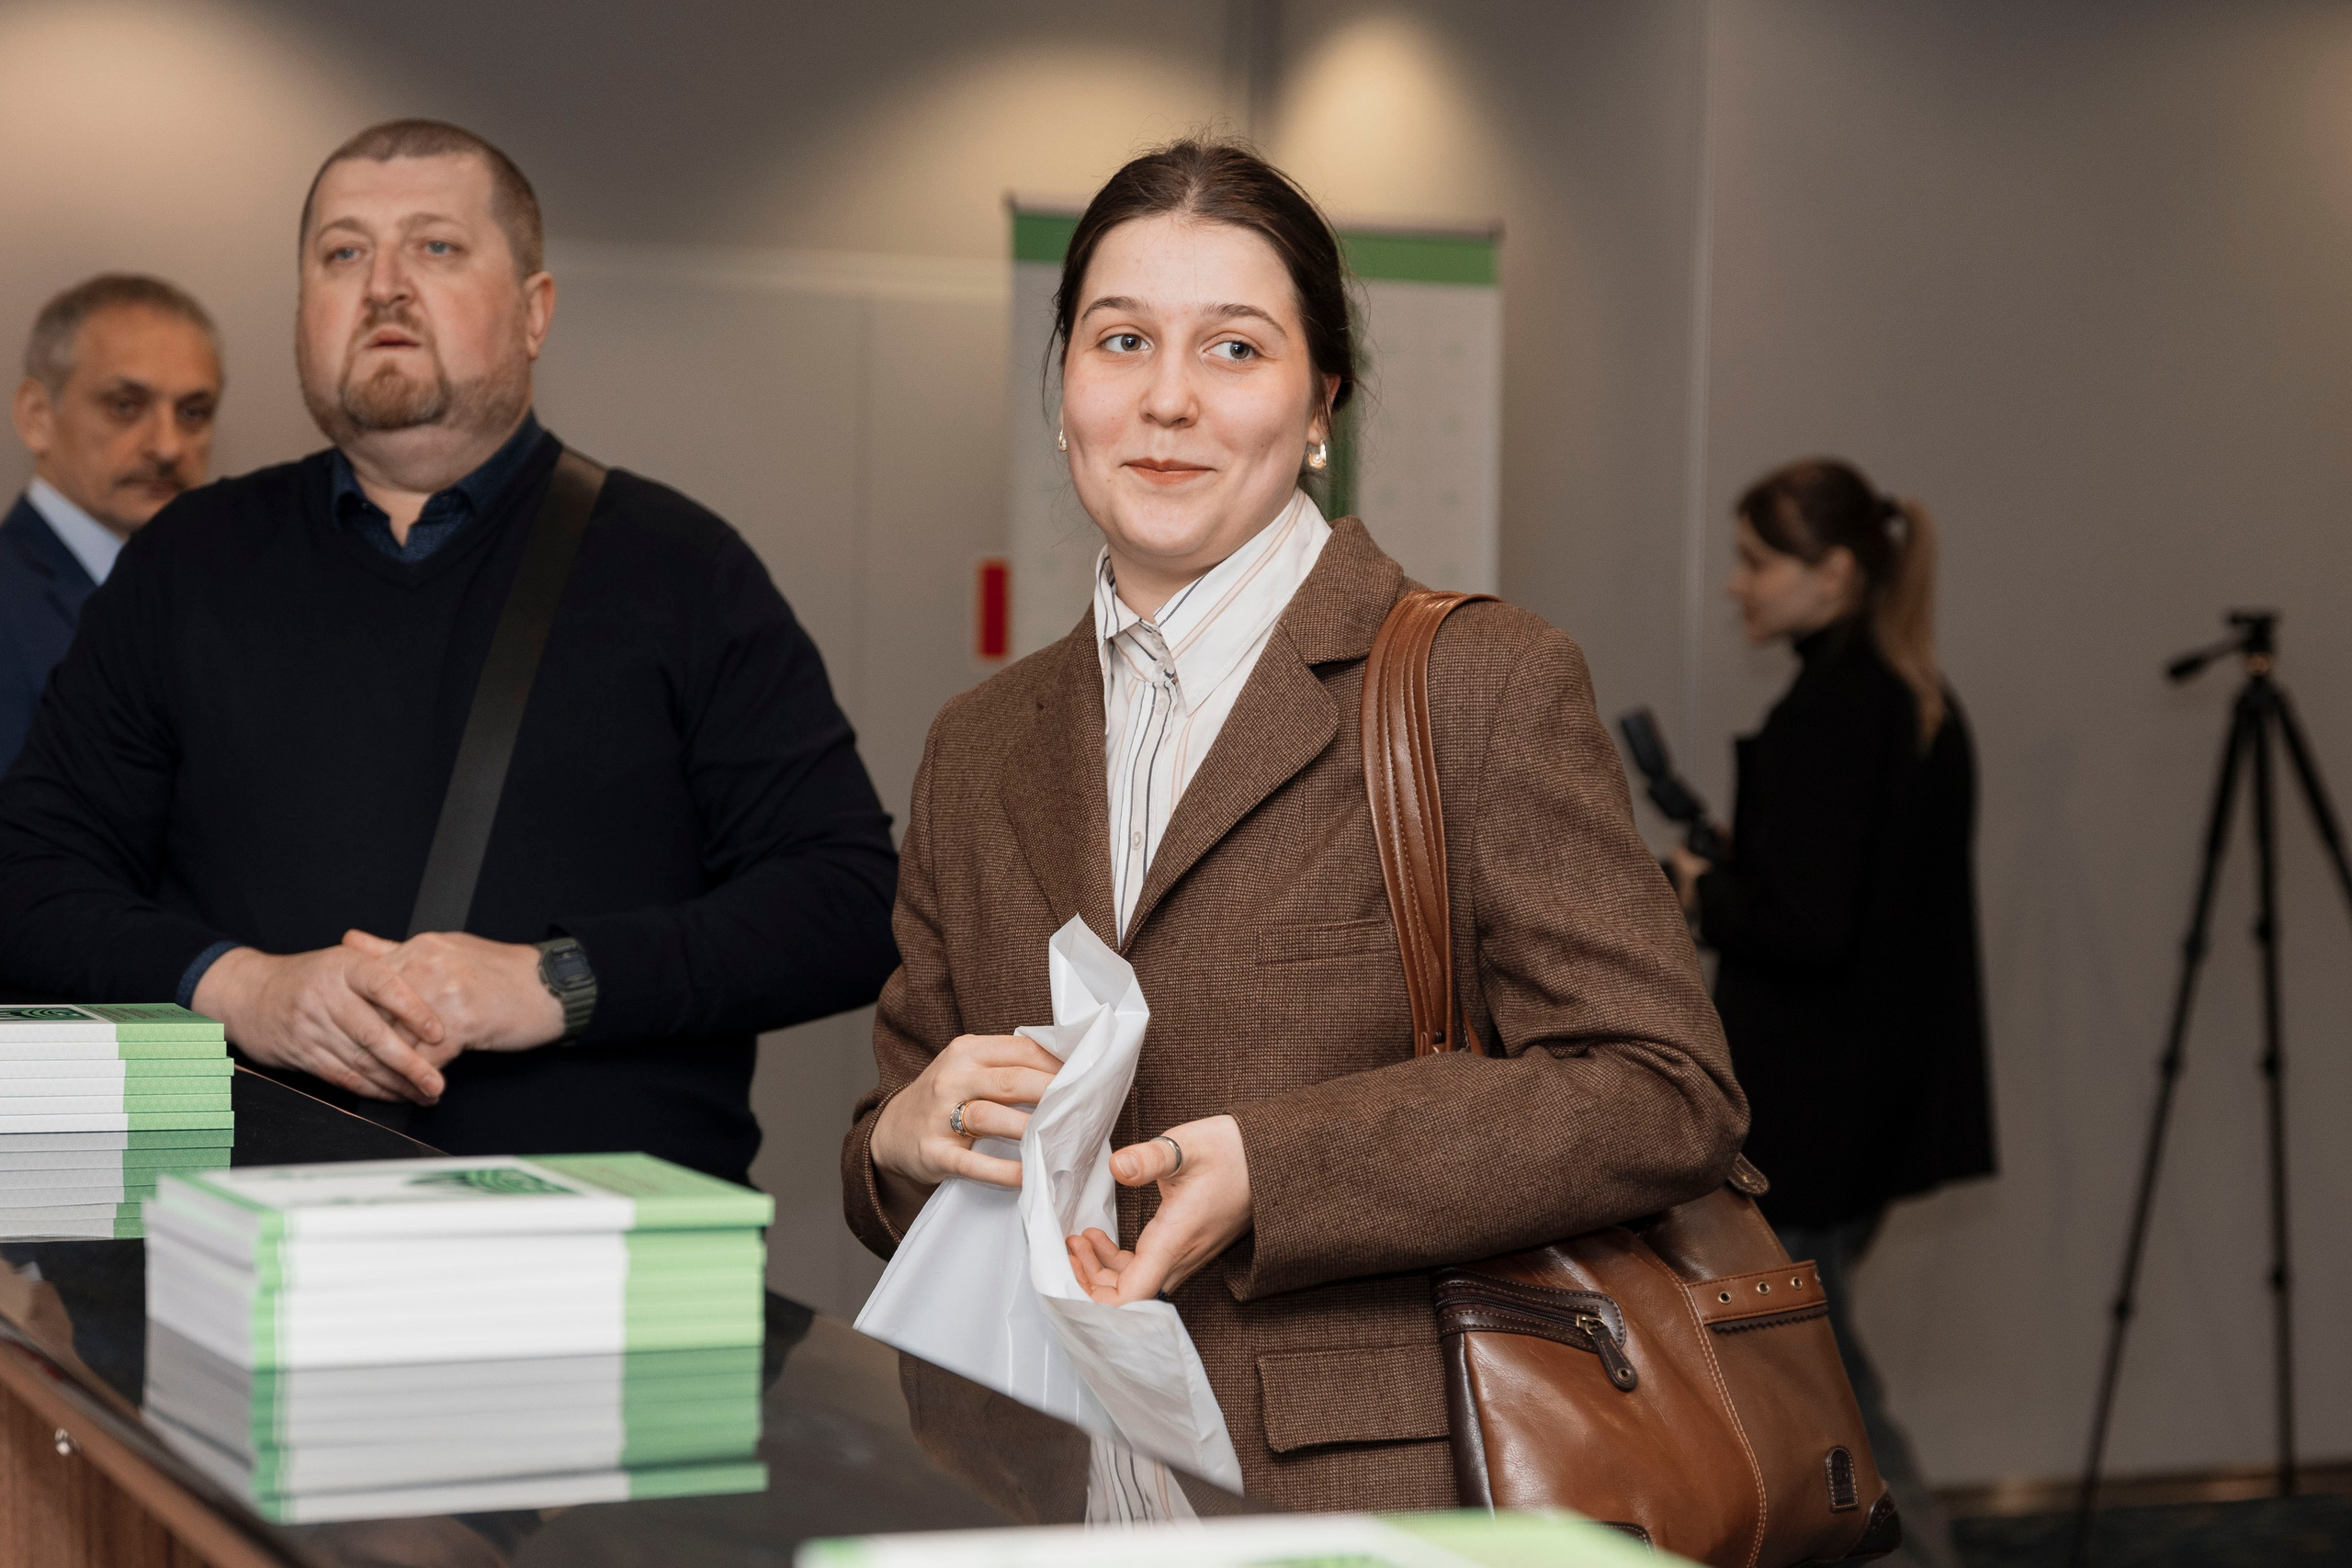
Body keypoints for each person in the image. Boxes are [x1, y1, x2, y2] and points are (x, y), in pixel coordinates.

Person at [842, 140, 1744, 1510]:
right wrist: (897, 1139)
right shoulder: (979, 742)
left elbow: (1663, 1090)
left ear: (1323, 401)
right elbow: (895, 1156)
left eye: (1236, 350)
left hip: (1345, 1489)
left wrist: (1279, 1164)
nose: (1166, 400)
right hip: (1040, 1476)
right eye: (1122, 338)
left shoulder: (1472, 682)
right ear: (1061, 387)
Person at [0, 120, 899, 1184]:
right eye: (342, 253)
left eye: (434, 247)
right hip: (243, 1255)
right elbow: (32, 876)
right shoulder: (182, 565)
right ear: (302, 315)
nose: (382, 285)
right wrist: (242, 990)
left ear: (533, 313)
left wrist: (556, 983)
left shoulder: (681, 569)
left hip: (602, 1264)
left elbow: (847, 899)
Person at [1668, 457, 1995, 1568]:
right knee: (1815, 1363)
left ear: (1836, 572)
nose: (1736, 586)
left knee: (1815, 1380)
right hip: (1874, 1103)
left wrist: (1707, 893)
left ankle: (1918, 1553)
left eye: (1759, 562)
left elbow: (1807, 930)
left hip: (1810, 1108)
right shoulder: (1918, 708)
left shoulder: (1831, 715)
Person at [3, 275, 222, 771]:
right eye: (125, 406)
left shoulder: (225, 601)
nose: (168, 446)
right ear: (37, 417)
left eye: (193, 412)